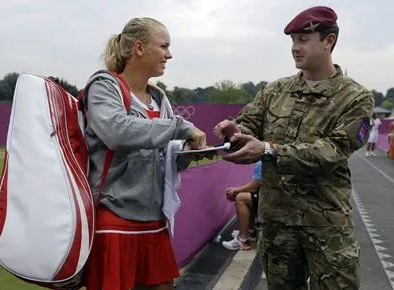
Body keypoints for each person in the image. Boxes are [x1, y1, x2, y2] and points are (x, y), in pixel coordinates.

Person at [214, 6, 374, 290]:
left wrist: (269, 149)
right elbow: (249, 122)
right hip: (277, 225)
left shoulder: (355, 98)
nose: (295, 48)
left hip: (326, 226)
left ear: (329, 42)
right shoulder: (275, 90)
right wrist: (234, 131)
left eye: (303, 40)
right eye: (293, 41)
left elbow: (332, 150)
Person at [82, 17, 206, 290]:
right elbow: (118, 132)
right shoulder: (104, 86)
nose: (169, 54)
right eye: (163, 46)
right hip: (114, 219)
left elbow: (165, 159)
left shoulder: (160, 97)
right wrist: (180, 127)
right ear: (139, 48)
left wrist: (186, 154)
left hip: (155, 221)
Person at [222, 161, 262, 251]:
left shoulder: (263, 161)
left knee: (240, 198)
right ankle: (251, 231)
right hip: (276, 196)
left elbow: (253, 187)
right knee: (245, 196)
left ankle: (242, 240)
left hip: (275, 201)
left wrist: (235, 191)